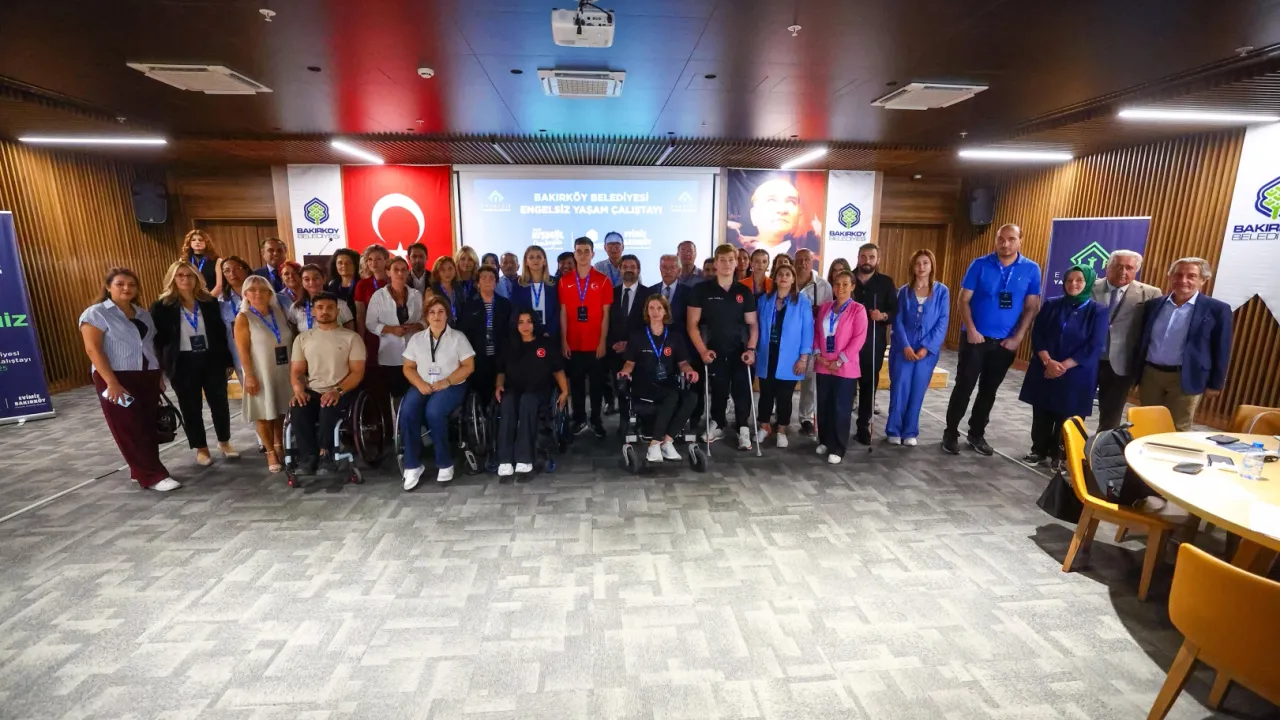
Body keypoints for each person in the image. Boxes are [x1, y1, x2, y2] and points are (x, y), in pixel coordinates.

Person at [944, 223, 1042, 456]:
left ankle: (976, 434)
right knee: (964, 386)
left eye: (1011, 239)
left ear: (1020, 241)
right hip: (974, 339)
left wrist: (1018, 338)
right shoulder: (979, 264)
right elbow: (963, 300)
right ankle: (950, 433)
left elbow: (1032, 306)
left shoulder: (1031, 269)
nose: (1005, 244)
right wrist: (971, 329)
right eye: (1001, 239)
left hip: (1005, 344)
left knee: (989, 390)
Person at [79, 268, 179, 492]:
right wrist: (111, 382)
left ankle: (140, 470)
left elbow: (149, 346)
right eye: (120, 284)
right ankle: (152, 476)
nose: (126, 288)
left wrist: (158, 376)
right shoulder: (96, 313)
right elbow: (93, 349)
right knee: (128, 426)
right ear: (108, 287)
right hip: (115, 376)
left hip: (146, 375)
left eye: (132, 284)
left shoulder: (142, 314)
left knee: (148, 424)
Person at [1019, 264, 1109, 465]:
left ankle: (1060, 456)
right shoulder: (1052, 304)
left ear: (1089, 283)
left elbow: (1094, 344)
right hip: (1045, 367)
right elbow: (1038, 334)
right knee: (1042, 411)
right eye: (1069, 280)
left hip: (1076, 373)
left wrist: (1063, 366)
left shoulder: (1098, 311)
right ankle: (1038, 450)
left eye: (1079, 280)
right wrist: (1048, 362)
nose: (1073, 284)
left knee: (1068, 415)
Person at [150, 260, 236, 466]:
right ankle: (201, 448)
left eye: (189, 275)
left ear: (197, 278)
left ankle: (224, 442)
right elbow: (157, 341)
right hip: (182, 363)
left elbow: (220, 334)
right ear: (172, 279)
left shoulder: (209, 302)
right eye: (180, 275)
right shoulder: (161, 307)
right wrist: (162, 367)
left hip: (211, 358)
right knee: (190, 407)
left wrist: (227, 361)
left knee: (220, 403)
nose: (185, 279)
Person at [1136, 257, 1233, 431]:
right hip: (1151, 375)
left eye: (1191, 276)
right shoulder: (1153, 305)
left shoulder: (1217, 310)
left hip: (1186, 377)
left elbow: (1221, 349)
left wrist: (1215, 383)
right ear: (1170, 276)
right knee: (1147, 423)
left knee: (1177, 428)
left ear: (1203, 280)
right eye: (1178, 275)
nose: (1183, 280)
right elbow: (1141, 341)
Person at [688, 243, 759, 451]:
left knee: (742, 391)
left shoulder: (744, 291)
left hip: (739, 351)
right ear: (716, 263)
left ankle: (743, 427)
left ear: (736, 263)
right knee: (718, 391)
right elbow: (692, 325)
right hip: (713, 350)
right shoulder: (701, 290)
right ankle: (718, 424)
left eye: (730, 260)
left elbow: (753, 325)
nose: (727, 264)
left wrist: (751, 349)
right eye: (722, 260)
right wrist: (702, 351)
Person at [400, 295, 476, 489]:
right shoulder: (417, 339)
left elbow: (468, 366)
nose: (436, 316)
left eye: (441, 311)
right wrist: (419, 383)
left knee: (434, 412)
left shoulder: (458, 338)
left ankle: (444, 462)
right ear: (426, 316)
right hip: (423, 384)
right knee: (408, 411)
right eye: (432, 312)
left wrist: (447, 381)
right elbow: (408, 367)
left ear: (447, 315)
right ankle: (413, 465)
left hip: (452, 385)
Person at [288, 292, 367, 476]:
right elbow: (297, 371)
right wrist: (298, 390)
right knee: (298, 408)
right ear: (313, 312)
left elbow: (357, 372)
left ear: (337, 311)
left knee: (328, 406)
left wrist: (337, 391)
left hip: (343, 389)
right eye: (320, 308)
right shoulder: (303, 338)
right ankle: (308, 457)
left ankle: (326, 454)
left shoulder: (352, 338)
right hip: (313, 389)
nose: (325, 311)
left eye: (330, 307)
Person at [618, 295, 700, 462]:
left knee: (691, 397)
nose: (655, 312)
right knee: (671, 395)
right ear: (647, 312)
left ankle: (667, 442)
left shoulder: (674, 337)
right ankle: (654, 445)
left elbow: (683, 362)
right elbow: (629, 363)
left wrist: (690, 370)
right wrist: (625, 372)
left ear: (665, 312)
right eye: (651, 308)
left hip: (667, 382)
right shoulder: (638, 336)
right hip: (644, 384)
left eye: (659, 308)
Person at [494, 310, 570, 479]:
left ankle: (524, 458)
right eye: (521, 322)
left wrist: (565, 391)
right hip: (514, 389)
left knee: (527, 401)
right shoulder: (509, 345)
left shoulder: (545, 344)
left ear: (534, 324)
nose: (525, 326)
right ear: (515, 325)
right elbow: (501, 371)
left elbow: (558, 370)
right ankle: (505, 459)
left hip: (539, 390)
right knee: (508, 402)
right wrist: (499, 385)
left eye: (529, 321)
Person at [886, 250, 950, 446]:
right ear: (912, 267)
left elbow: (942, 321)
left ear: (932, 266)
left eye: (925, 263)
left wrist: (926, 347)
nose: (921, 267)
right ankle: (894, 429)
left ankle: (910, 431)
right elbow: (897, 321)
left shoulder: (942, 292)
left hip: (926, 351)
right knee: (899, 388)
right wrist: (905, 346)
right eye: (917, 263)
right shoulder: (903, 291)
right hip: (903, 348)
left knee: (918, 389)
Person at [1092, 250, 1161, 430]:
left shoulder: (1151, 293)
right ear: (1107, 267)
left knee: (1111, 416)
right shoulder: (1088, 286)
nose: (1123, 271)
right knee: (1073, 409)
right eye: (1118, 266)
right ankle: (1066, 444)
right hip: (1086, 359)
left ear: (1136, 270)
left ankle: (1102, 447)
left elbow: (1151, 331)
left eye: (1129, 267)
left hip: (1121, 364)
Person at [234, 275, 295, 473]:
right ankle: (270, 451)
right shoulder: (243, 318)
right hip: (260, 371)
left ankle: (279, 444)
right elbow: (242, 351)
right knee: (263, 413)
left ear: (270, 293)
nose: (258, 293)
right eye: (252, 290)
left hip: (282, 369)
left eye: (262, 290)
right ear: (245, 294)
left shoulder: (278, 312)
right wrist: (249, 376)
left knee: (280, 409)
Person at [558, 236, 614, 438]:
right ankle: (579, 418)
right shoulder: (564, 281)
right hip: (573, 343)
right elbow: (563, 313)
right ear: (574, 254)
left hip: (595, 344)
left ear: (593, 254)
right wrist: (564, 341)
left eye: (586, 251)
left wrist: (602, 341)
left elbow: (606, 314)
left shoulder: (603, 280)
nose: (582, 255)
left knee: (597, 385)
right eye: (579, 251)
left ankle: (596, 420)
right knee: (577, 385)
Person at [754, 264, 812, 448]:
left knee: (785, 396)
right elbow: (756, 327)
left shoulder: (802, 302)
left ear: (793, 279)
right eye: (780, 274)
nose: (784, 277)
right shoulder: (764, 300)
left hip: (790, 357)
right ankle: (764, 426)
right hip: (767, 353)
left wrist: (803, 358)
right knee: (765, 393)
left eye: (788, 274)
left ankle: (781, 429)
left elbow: (807, 331)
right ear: (775, 278)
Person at [813, 271, 868, 464]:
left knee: (840, 407)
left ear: (852, 286)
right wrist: (818, 354)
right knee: (824, 405)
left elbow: (858, 339)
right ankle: (825, 440)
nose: (841, 288)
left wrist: (839, 360)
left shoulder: (858, 310)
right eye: (837, 284)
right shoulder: (825, 307)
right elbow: (817, 333)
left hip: (844, 367)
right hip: (823, 364)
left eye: (845, 284)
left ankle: (838, 446)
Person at [851, 243, 897, 445]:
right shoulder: (848, 279)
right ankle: (841, 425)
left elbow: (895, 311)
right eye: (863, 256)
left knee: (868, 386)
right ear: (858, 257)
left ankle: (863, 426)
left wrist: (883, 315)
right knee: (845, 387)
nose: (867, 260)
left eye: (871, 257)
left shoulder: (885, 283)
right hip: (847, 344)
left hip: (872, 343)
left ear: (878, 259)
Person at [366, 257, 425, 400]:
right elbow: (370, 323)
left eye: (404, 270)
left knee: (414, 394)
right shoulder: (379, 296)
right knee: (395, 395)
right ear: (388, 272)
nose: (400, 273)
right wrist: (390, 329)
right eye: (396, 270)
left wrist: (417, 326)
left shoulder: (416, 295)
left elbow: (425, 319)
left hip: (414, 354)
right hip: (390, 355)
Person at [606, 254, 650, 429]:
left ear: (639, 270)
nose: (629, 270)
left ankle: (641, 422)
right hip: (616, 351)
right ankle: (624, 422)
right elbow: (606, 322)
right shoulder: (611, 293)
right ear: (619, 269)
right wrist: (612, 343)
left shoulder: (649, 294)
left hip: (640, 351)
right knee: (621, 388)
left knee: (640, 387)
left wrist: (631, 344)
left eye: (633, 267)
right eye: (625, 267)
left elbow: (650, 323)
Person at [457, 265, 512, 405]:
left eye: (491, 278)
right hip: (477, 357)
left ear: (496, 282)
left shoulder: (505, 304)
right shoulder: (468, 304)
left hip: (500, 355)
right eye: (483, 278)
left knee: (500, 391)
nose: (488, 280)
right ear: (477, 283)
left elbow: (509, 331)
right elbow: (463, 332)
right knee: (481, 393)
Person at [793, 248, 831, 436]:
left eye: (806, 260)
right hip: (789, 340)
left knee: (810, 381)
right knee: (784, 380)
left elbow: (829, 315)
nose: (803, 263)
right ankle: (780, 417)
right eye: (799, 260)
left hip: (811, 340)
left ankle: (806, 418)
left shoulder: (823, 286)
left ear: (812, 261)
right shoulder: (787, 281)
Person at [736, 177, 820, 259]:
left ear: (799, 215)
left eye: (791, 202)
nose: (782, 210)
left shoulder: (811, 263)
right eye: (771, 201)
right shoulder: (738, 258)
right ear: (754, 215)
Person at [509, 245, 560, 340]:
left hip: (550, 335)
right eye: (531, 257)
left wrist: (549, 332)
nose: (535, 260)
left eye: (539, 257)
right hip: (526, 335)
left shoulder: (554, 282)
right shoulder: (518, 283)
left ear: (544, 261)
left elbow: (557, 310)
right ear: (526, 262)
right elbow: (516, 309)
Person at [218, 255, 252, 385]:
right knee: (249, 388)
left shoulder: (258, 294)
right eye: (227, 271)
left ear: (246, 269)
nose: (232, 274)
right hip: (238, 352)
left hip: (262, 346)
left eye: (237, 268)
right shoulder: (221, 302)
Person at [291, 264, 355, 332]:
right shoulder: (296, 307)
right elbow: (294, 333)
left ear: (324, 279)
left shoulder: (340, 304)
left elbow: (350, 332)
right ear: (302, 282)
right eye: (306, 279)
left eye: (316, 278)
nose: (311, 282)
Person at [653, 254, 691, 332]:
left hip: (680, 337)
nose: (668, 271)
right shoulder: (650, 291)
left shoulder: (689, 292)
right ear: (660, 269)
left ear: (679, 271)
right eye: (664, 267)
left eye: (672, 267)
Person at [181, 229, 223, 296]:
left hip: (212, 297)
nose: (197, 242)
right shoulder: (183, 260)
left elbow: (219, 285)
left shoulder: (217, 260)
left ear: (206, 242)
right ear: (189, 243)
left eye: (200, 240)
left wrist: (208, 299)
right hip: (190, 298)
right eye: (193, 240)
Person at [325, 248, 361, 319]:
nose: (344, 265)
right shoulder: (332, 285)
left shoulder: (362, 284)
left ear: (356, 264)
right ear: (335, 265)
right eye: (340, 263)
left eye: (348, 262)